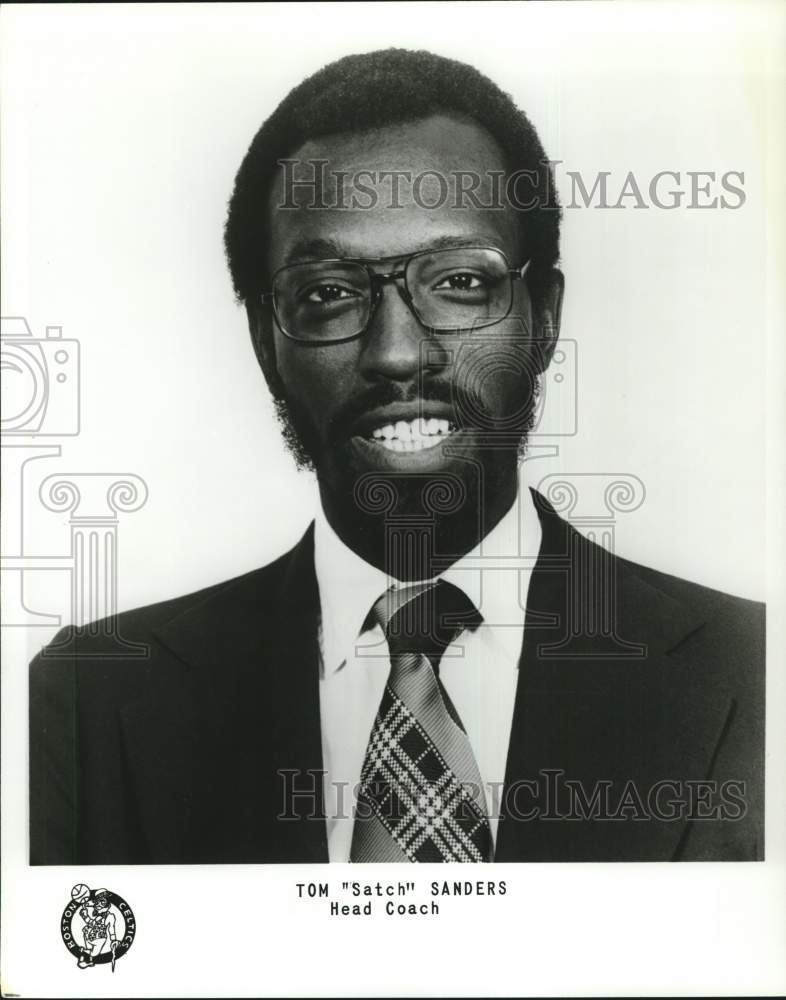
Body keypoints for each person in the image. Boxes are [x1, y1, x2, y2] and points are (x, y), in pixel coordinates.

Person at [29, 48, 764, 864]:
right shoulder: (83, 705)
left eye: (458, 281)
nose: (396, 352)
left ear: (545, 317)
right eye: (330, 294)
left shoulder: (755, 678)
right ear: (265, 341)